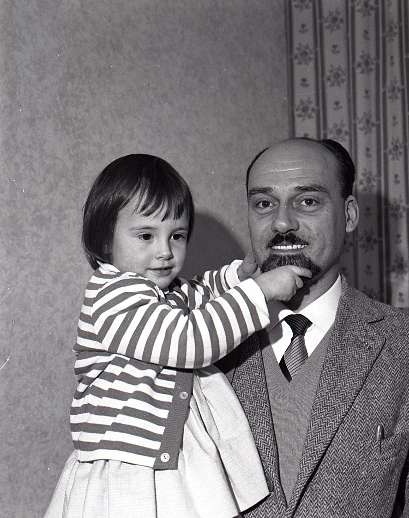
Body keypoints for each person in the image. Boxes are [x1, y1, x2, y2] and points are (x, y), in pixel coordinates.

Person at [219, 137, 409, 517]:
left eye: (307, 201)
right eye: (264, 203)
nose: (282, 222)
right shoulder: (201, 343)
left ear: (350, 215)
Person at [44, 154, 311, 518]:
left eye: (177, 236)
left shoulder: (169, 293)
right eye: (146, 236)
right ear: (105, 239)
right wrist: (260, 290)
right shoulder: (112, 294)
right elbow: (189, 341)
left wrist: (240, 275)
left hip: (164, 466)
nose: (165, 251)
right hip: (124, 473)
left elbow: (204, 291)